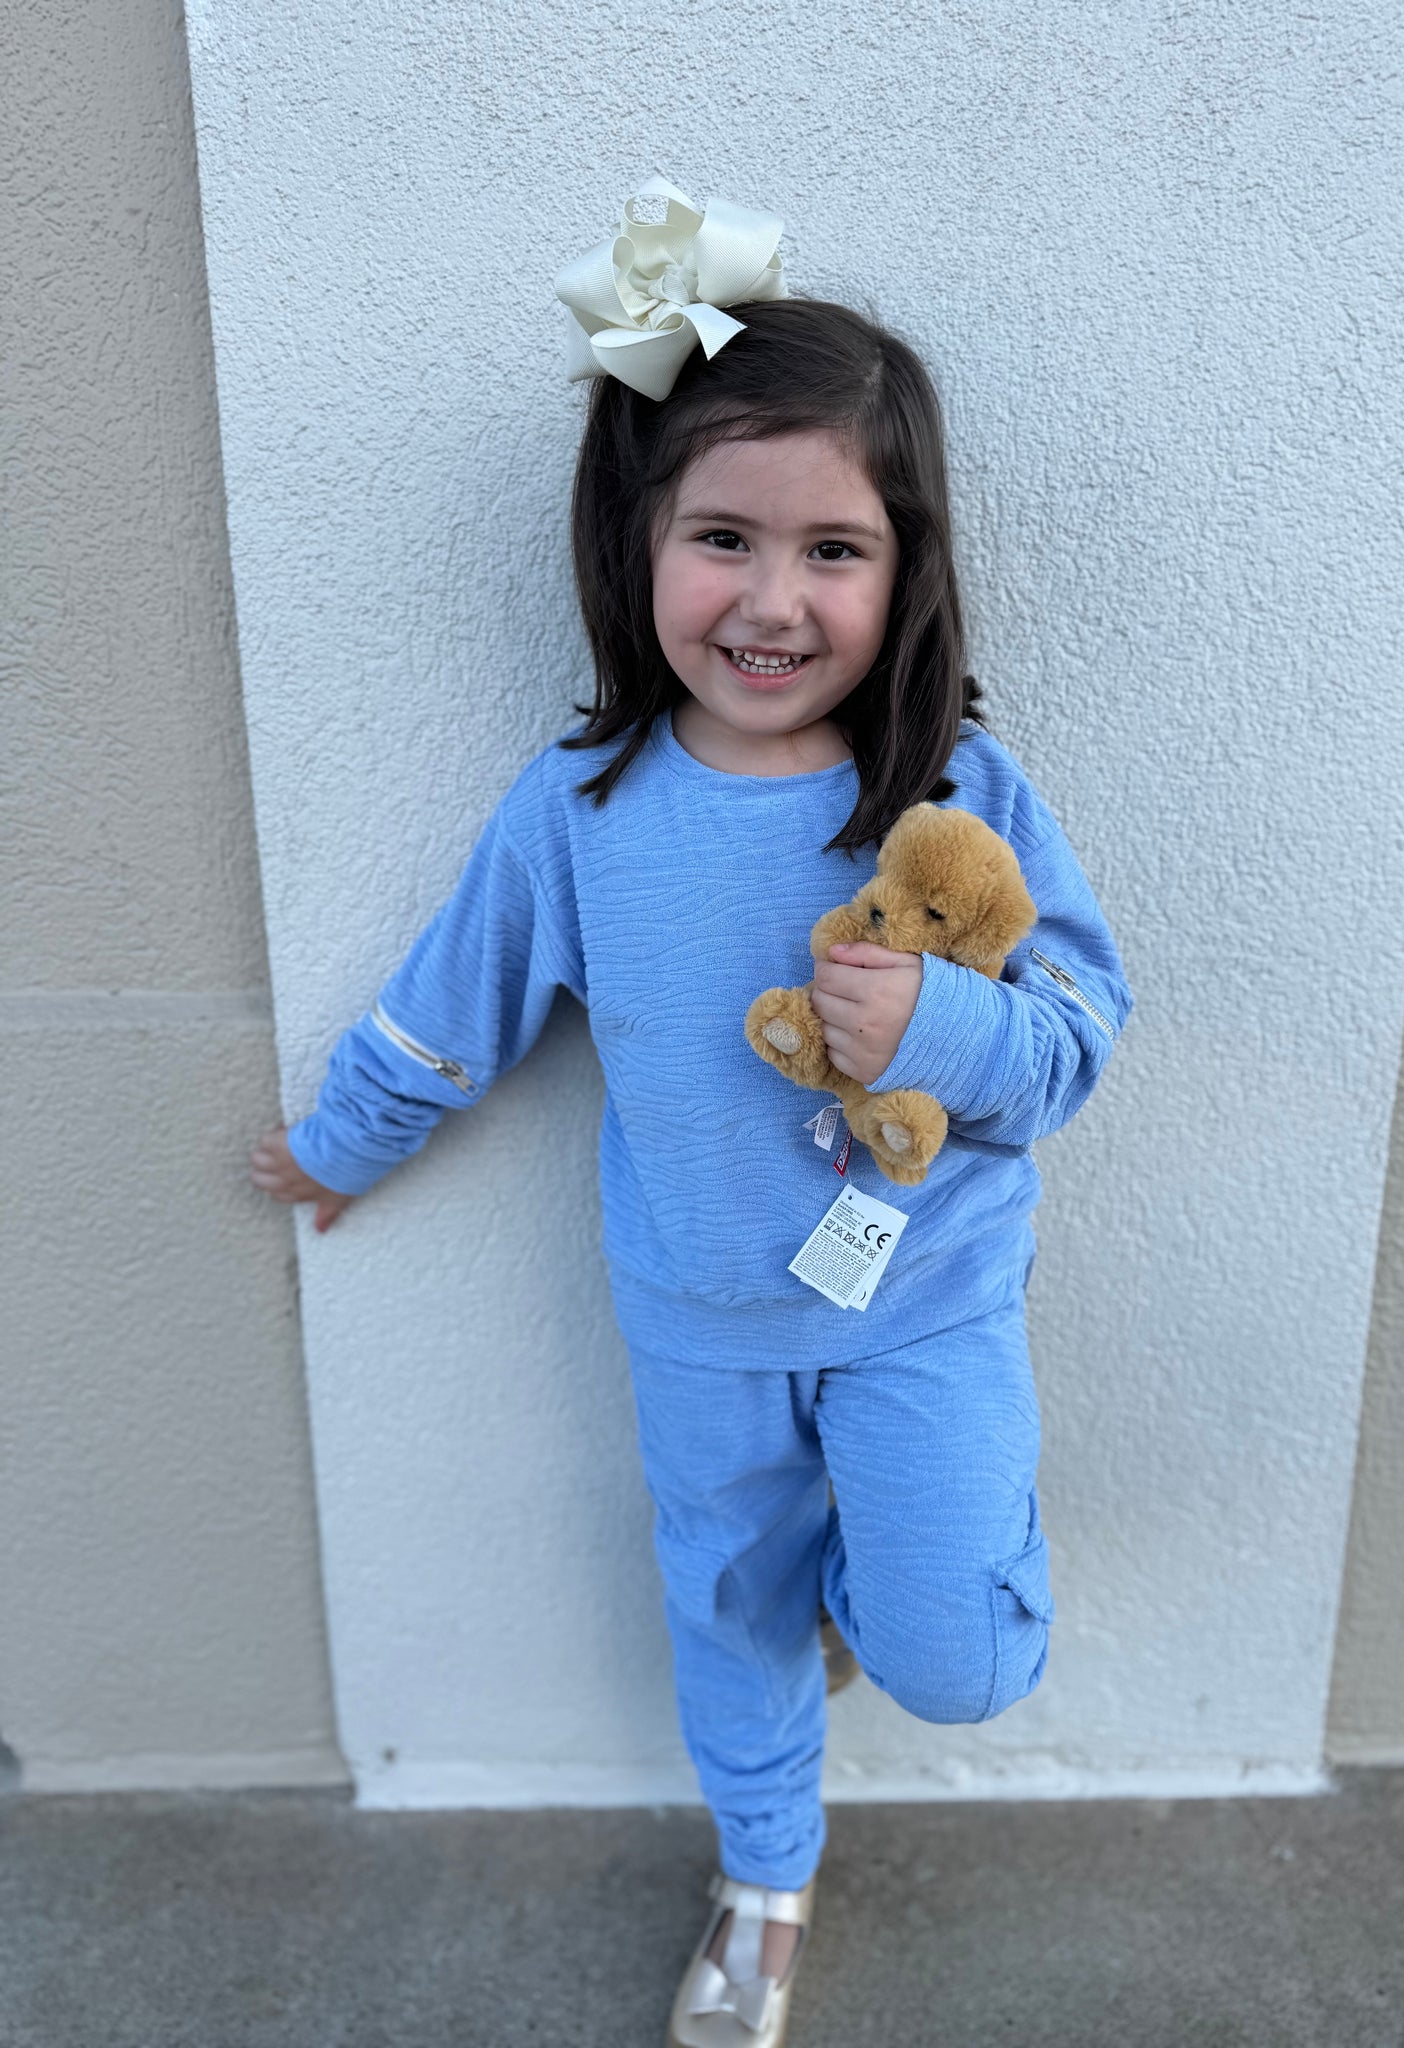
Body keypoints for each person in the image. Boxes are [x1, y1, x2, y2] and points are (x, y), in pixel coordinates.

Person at [250, 186, 1133, 2048]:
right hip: (699, 1326)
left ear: (904, 571)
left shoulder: (953, 788)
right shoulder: (579, 813)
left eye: (834, 549)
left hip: (922, 1305)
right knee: (728, 1621)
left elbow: (1074, 1038)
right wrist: (342, 1142)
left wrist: (942, 1026)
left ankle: (883, 1601)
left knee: (955, 1659)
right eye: (723, 537)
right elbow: (451, 1007)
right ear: (637, 540)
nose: (772, 600)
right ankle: (763, 1878)